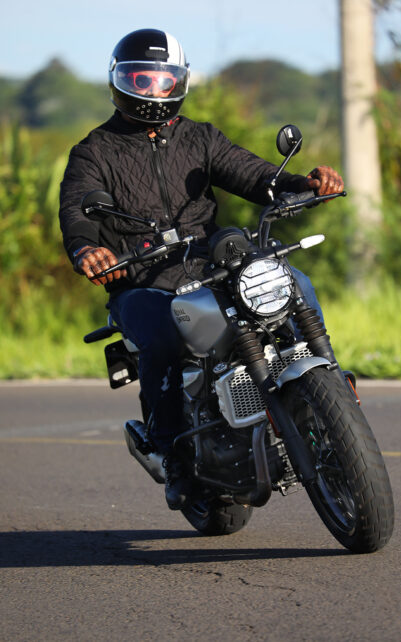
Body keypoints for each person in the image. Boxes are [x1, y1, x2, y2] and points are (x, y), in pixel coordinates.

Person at [59, 28, 344, 510]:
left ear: (180, 81)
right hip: (143, 279)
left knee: (292, 282)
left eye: (163, 80)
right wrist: (88, 250)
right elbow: (76, 210)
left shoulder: (200, 137)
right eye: (141, 80)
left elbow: (254, 175)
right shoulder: (94, 151)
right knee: (162, 339)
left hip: (212, 263)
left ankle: (333, 385)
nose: (153, 91)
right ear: (119, 81)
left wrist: (305, 184)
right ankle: (171, 452)